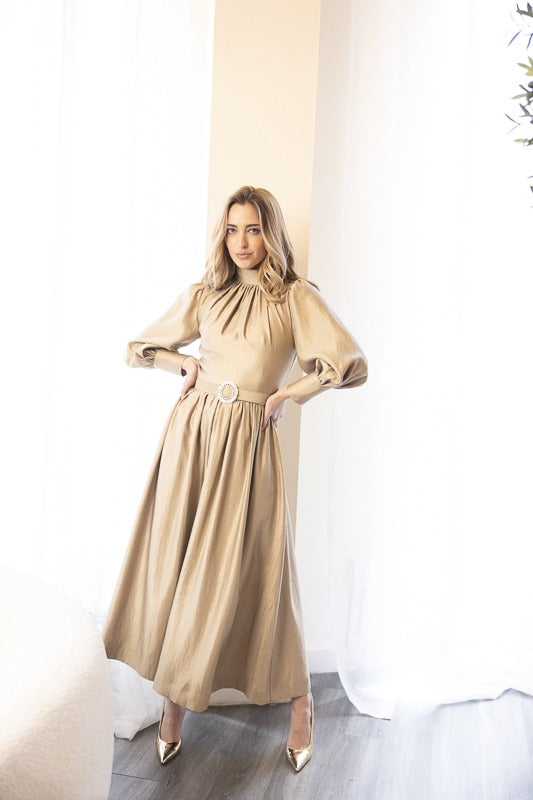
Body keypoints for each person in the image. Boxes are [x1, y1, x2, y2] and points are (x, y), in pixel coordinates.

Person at [101, 185, 368, 772]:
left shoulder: (295, 297)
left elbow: (348, 363)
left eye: (252, 229)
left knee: (264, 572)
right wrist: (183, 361)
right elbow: (138, 347)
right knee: (180, 565)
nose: (241, 242)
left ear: (270, 233)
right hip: (192, 436)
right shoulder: (206, 294)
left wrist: (289, 393)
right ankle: (172, 706)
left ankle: (301, 704)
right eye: (231, 229)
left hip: (249, 444)